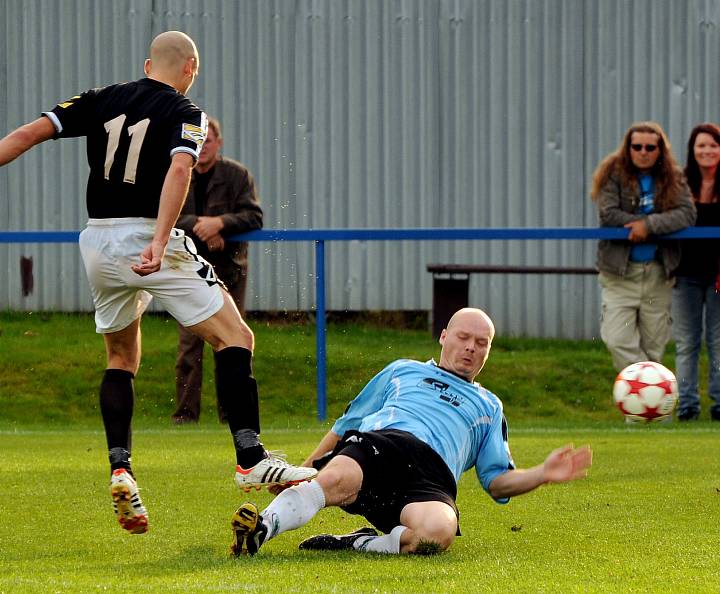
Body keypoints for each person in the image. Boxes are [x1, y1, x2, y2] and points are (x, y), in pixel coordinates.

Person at [0, 30, 316, 536]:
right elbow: (179, 169)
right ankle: (250, 459)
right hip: (145, 238)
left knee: (121, 358)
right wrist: (157, 239)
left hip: (97, 242)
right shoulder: (187, 113)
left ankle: (121, 467)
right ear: (190, 68)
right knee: (235, 337)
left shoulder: (100, 99)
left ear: (149, 63)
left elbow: (28, 133)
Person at [229, 308, 593, 557]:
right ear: (444, 336)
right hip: (383, 445)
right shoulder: (403, 370)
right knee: (334, 479)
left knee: (437, 535)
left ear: (489, 351)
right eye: (464, 337)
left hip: (433, 477)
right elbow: (346, 425)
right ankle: (262, 527)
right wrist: (304, 469)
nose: (471, 347)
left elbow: (497, 481)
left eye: (482, 343)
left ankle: (358, 545)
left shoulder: (489, 406)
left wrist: (543, 474)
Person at [173, 116, 263, 424]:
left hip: (230, 271)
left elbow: (254, 216)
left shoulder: (238, 176)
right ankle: (185, 416)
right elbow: (166, 217)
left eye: (208, 141)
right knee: (189, 348)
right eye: (197, 142)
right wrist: (203, 228)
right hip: (189, 271)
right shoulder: (178, 173)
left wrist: (221, 224)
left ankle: (232, 415)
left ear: (218, 143)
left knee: (233, 343)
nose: (203, 147)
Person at [591, 121, 696, 372]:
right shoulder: (612, 173)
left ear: (660, 150)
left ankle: (649, 407)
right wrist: (639, 226)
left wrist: (648, 226)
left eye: (651, 147)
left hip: (657, 274)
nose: (643, 152)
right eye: (637, 146)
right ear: (628, 148)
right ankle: (651, 385)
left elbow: (686, 213)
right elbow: (608, 215)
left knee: (654, 348)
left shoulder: (672, 176)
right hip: (620, 274)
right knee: (617, 339)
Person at [671, 123, 720, 422]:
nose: (707, 151)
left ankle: (719, 405)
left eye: (713, 145)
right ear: (692, 150)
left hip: (718, 278)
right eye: (701, 146)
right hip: (684, 275)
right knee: (687, 342)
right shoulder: (680, 184)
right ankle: (687, 406)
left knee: (718, 340)